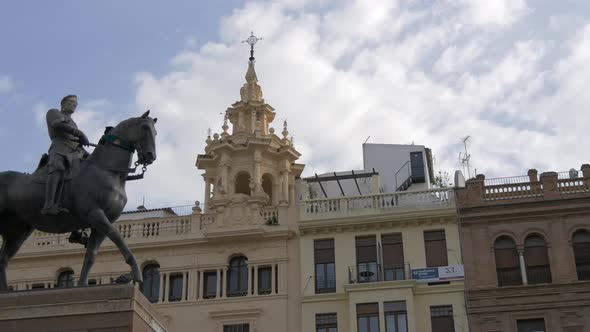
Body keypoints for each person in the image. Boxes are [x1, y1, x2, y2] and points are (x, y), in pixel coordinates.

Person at [41, 95, 90, 215]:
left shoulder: (73, 123)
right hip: (60, 148)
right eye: (71, 102)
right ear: (63, 103)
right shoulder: (53, 112)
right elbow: (56, 125)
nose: (74, 105)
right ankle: (49, 205)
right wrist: (79, 133)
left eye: (76, 104)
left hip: (74, 152)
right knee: (57, 167)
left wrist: (86, 151)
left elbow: (75, 141)